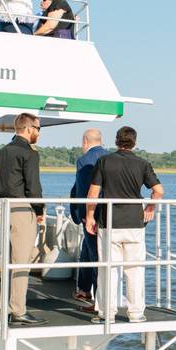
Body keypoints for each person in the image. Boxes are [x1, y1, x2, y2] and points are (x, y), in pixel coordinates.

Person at [85, 126, 163, 324]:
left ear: (116, 141)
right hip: (134, 223)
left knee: (108, 270)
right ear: (134, 142)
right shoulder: (142, 164)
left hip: (109, 222)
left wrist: (90, 216)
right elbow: (158, 190)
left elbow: (93, 194)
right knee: (134, 270)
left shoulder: (104, 161)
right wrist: (150, 208)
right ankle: (136, 313)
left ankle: (106, 313)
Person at [0, 113, 46, 325]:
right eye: (38, 128)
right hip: (22, 209)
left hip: (2, 208)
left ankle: (4, 306)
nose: (39, 133)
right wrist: (39, 211)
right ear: (29, 128)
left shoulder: (0, 153)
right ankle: (19, 310)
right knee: (21, 262)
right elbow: (33, 187)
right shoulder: (29, 154)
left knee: (7, 261)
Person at [70, 129, 107, 305]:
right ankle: (84, 289)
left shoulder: (84, 161)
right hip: (108, 213)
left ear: (85, 141)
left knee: (95, 254)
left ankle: (99, 300)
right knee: (86, 248)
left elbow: (83, 189)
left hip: (92, 214)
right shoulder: (110, 157)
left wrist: (83, 215)